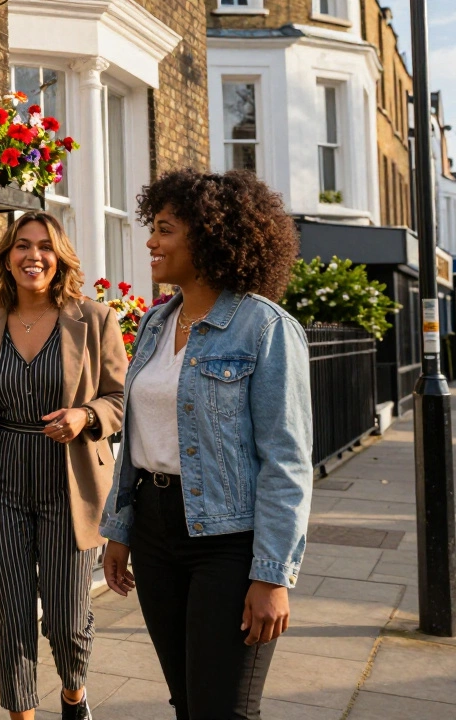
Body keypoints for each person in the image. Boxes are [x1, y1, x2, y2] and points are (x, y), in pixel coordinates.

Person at [101, 168, 313, 719]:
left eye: (166, 229)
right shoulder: (154, 323)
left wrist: (271, 575)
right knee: (187, 700)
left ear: (211, 236)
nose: (151, 241)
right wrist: (120, 531)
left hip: (227, 541)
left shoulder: (264, 328)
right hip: (153, 530)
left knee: (223, 708)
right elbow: (139, 438)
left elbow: (286, 460)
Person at [0, 211, 127, 720]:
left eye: (44, 246)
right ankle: (21, 713)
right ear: (7, 256)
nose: (33, 256)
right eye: (22, 245)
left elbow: (119, 399)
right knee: (11, 617)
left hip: (71, 486)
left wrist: (85, 415)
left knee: (66, 619)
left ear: (59, 257)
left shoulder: (95, 318)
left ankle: (73, 693)